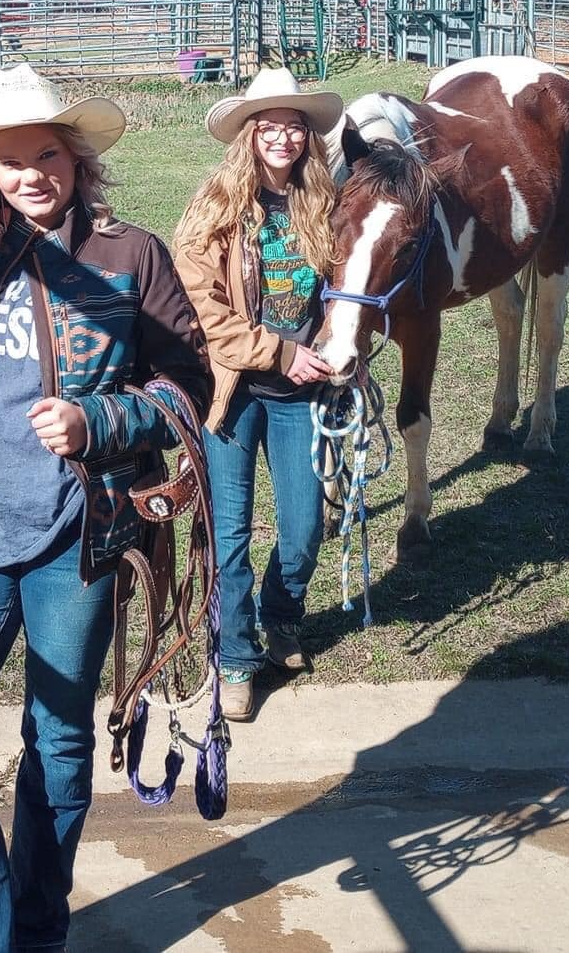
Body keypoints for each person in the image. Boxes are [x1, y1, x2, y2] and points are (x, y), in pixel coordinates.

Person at [0, 62, 211, 953]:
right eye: (11, 160)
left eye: (48, 156)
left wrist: (98, 420)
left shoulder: (129, 254)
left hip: (82, 539)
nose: (32, 176)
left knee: (59, 742)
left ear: (77, 160)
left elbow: (187, 385)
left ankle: (34, 932)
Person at [172, 67, 345, 722]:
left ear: (307, 136)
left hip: (301, 395)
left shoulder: (323, 202)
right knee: (232, 534)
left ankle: (281, 615)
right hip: (235, 393)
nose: (282, 137)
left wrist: (335, 344)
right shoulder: (215, 206)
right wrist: (280, 352)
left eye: (293, 126)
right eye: (269, 126)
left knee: (303, 530)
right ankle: (237, 658)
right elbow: (202, 308)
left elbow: (348, 288)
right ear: (249, 134)